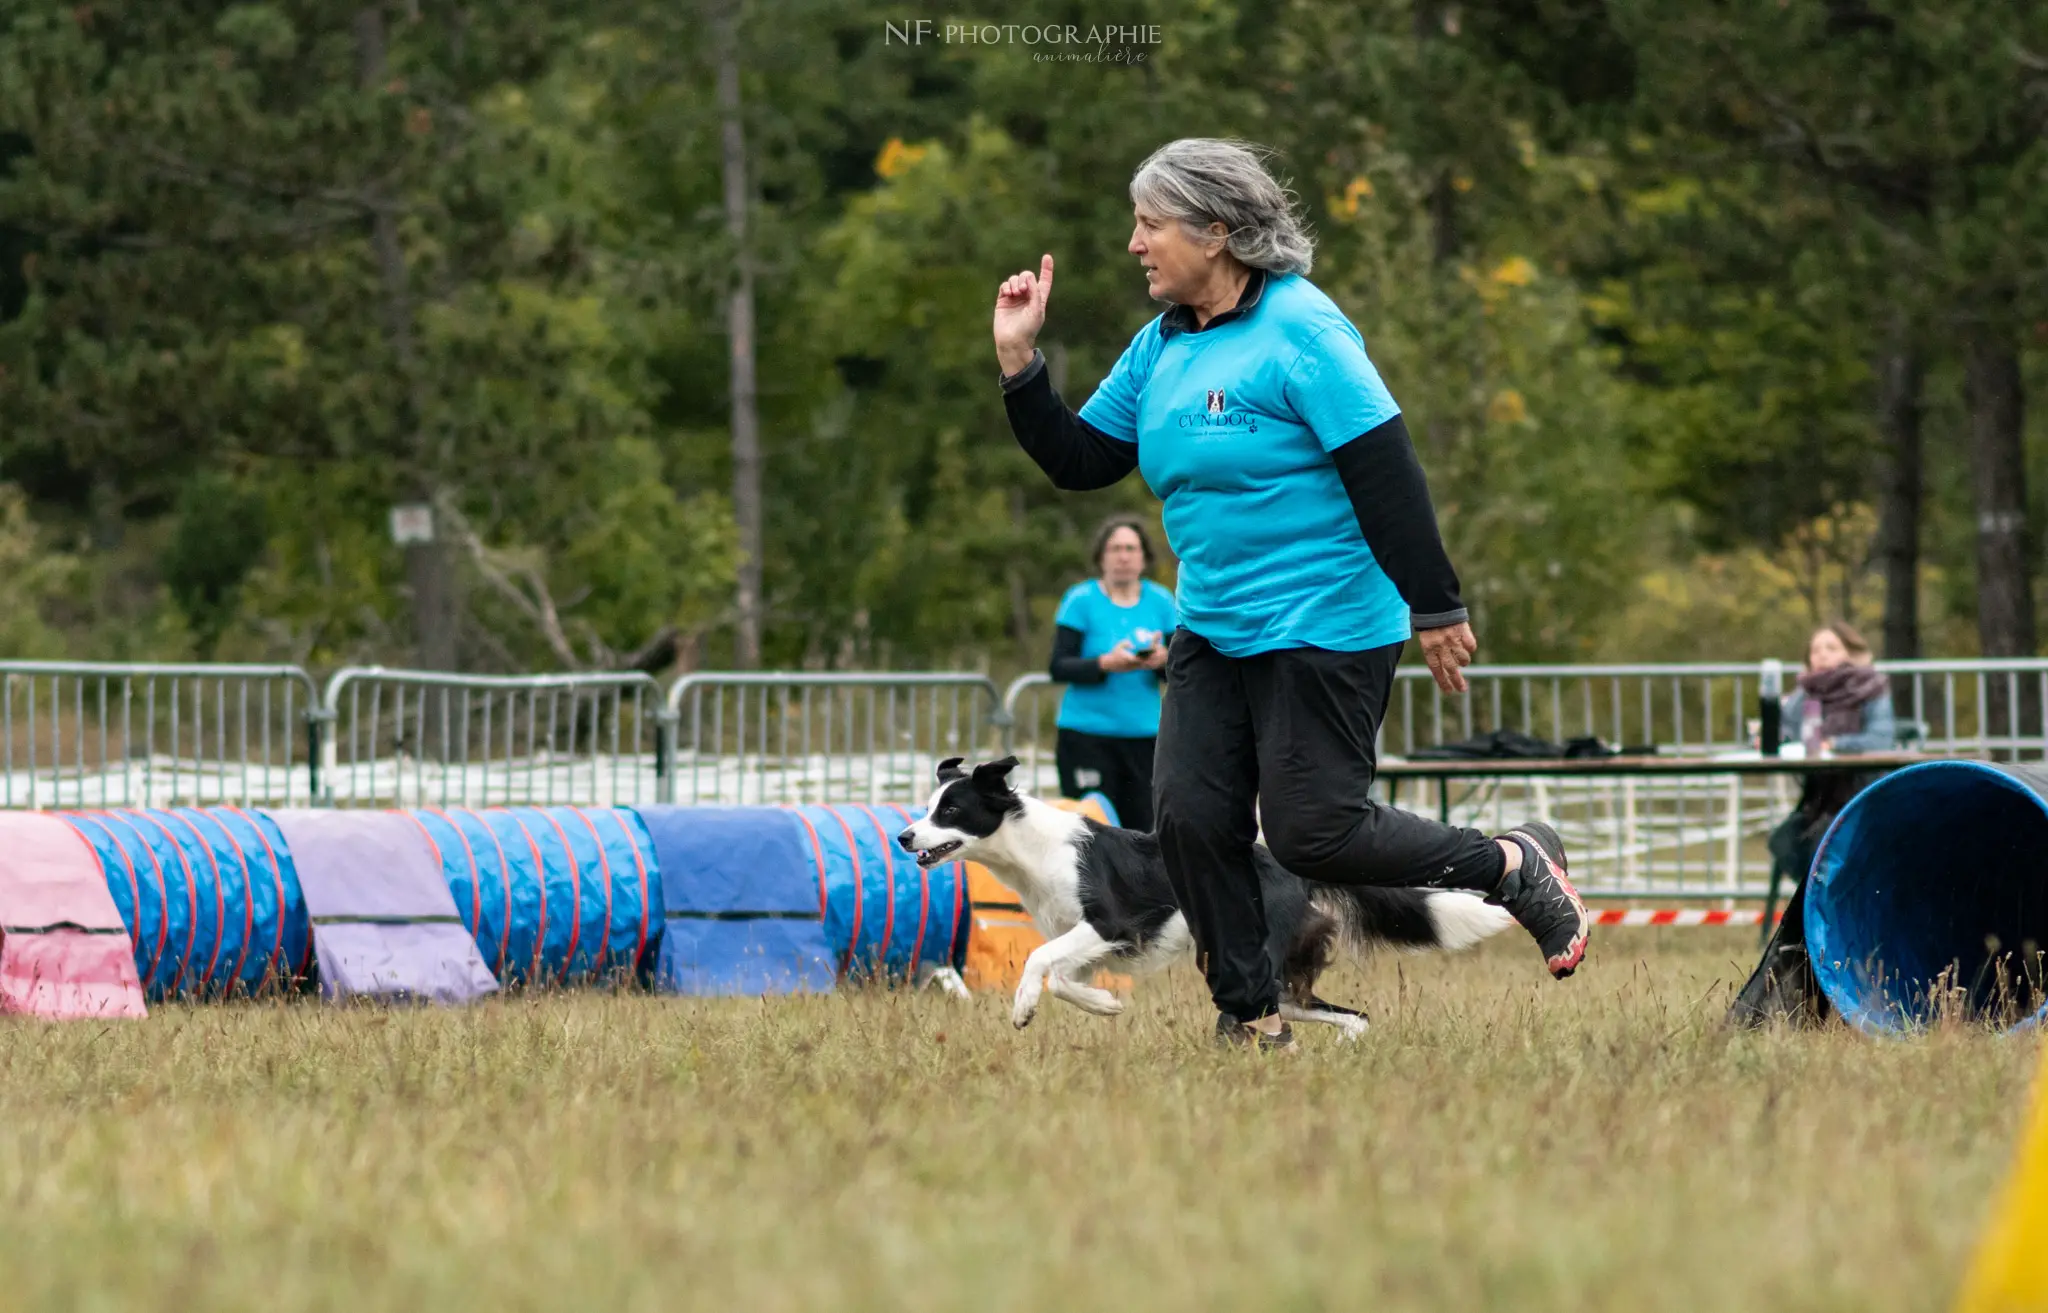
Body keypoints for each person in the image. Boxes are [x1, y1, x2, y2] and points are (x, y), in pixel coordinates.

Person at [991, 137, 1589, 1052]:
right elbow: (1083, 460)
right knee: (1190, 822)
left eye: (1151, 224)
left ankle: (1511, 863)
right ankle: (1251, 1012)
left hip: (1326, 624)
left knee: (1315, 833)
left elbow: (1385, 471)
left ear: (1218, 233)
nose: (1134, 244)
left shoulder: (1305, 331)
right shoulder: (1161, 346)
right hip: (1214, 626)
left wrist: (1436, 607)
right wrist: (1022, 366)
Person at [1729, 621, 1897, 1027]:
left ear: (1850, 652)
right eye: (1815, 649)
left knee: (1823, 846)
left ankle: (1831, 929)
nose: (1821, 654)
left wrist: (1834, 745)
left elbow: (1882, 740)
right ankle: (1816, 928)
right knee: (1788, 842)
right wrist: (1763, 732)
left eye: (1831, 646)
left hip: (1860, 796)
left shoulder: (1871, 688)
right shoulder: (1803, 694)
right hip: (1817, 801)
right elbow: (1782, 737)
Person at [1048, 516, 1177, 831]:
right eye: (1115, 548)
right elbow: (1059, 665)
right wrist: (1105, 664)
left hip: (1144, 736)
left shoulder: (1161, 601)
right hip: (1086, 734)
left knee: (1143, 831)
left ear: (1144, 557)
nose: (1123, 556)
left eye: (1131, 548)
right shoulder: (1081, 600)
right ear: (1101, 556)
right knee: (1091, 830)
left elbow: (1181, 669)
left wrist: (1162, 660)